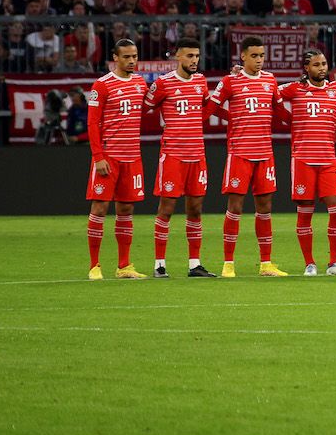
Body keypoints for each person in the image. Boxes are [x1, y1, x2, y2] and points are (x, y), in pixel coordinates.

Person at [211, 36, 289, 277]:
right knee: (235, 207)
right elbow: (212, 107)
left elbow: (279, 111)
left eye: (262, 56)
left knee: (264, 207)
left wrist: (300, 122)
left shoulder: (269, 80)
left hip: (265, 153)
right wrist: (230, 118)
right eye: (254, 55)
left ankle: (266, 263)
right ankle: (228, 264)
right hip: (240, 154)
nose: (259, 60)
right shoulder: (230, 81)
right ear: (243, 56)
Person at [278, 50, 336, 276]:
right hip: (303, 160)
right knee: (305, 212)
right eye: (316, 64)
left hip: (328, 160)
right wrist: (289, 119)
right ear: (306, 68)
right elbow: (270, 96)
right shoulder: (295, 89)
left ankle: (334, 263)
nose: (321, 68)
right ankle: (309, 264)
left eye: (324, 63)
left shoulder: (335, 90)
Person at [145, 38, 214, 277]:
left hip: (197, 155)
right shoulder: (163, 83)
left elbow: (205, 109)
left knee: (195, 209)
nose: (194, 60)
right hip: (173, 155)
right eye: (189, 56)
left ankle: (194, 264)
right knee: (167, 208)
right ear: (177, 56)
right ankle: (159, 264)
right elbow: (145, 106)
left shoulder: (201, 81)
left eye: (196, 56)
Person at [85, 39, 148, 280]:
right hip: (108, 158)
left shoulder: (141, 83)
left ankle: (124, 266)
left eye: (134, 56)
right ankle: (94, 265)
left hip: (132, 158)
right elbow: (92, 123)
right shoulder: (101, 85)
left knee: (126, 209)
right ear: (115, 58)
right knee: (100, 208)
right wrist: (98, 156)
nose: (132, 60)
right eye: (127, 57)